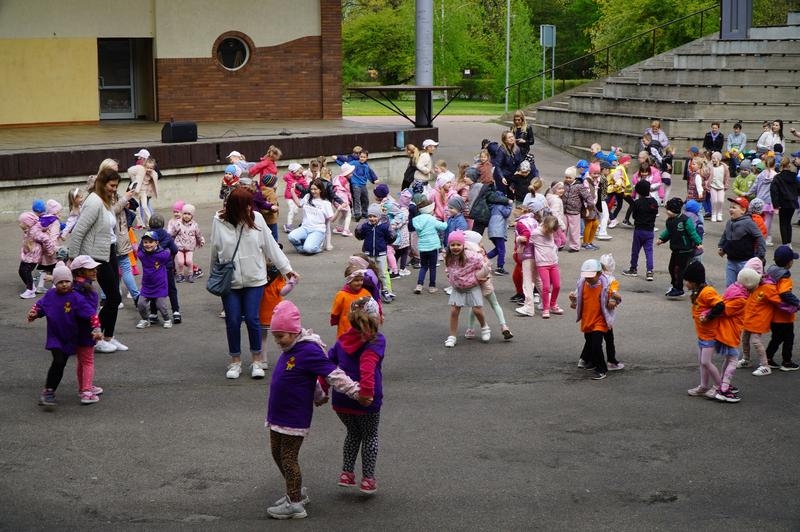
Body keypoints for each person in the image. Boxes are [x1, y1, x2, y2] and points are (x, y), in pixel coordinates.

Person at [265, 300, 363, 520]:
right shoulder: (293, 347)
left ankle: (295, 504)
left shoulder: (308, 349)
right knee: (276, 452)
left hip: (293, 415)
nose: (278, 341)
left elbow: (332, 373)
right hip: (278, 413)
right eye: (275, 336)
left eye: (281, 336)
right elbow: (308, 379)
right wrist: (318, 395)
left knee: (288, 457)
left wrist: (356, 391)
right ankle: (295, 492)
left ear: (293, 331)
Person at [210, 187, 298, 380]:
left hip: (255, 279)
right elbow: (215, 249)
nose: (251, 208)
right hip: (230, 281)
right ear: (235, 207)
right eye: (246, 205)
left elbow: (270, 245)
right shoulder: (219, 221)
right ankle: (235, 361)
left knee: (252, 319)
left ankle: (257, 360)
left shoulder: (257, 218)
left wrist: (287, 269)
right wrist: (213, 276)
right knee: (232, 321)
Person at [327, 296, 386, 495]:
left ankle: (347, 473)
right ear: (375, 318)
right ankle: (368, 479)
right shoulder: (376, 340)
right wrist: (365, 394)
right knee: (370, 436)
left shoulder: (343, 339)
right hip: (365, 399)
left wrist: (321, 388)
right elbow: (367, 367)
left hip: (342, 398)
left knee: (353, 433)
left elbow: (328, 362)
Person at [68, 167, 128, 353]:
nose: (113, 189)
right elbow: (79, 231)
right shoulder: (93, 201)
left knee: (113, 297)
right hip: (96, 256)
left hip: (109, 250)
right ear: (102, 183)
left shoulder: (105, 200)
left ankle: (108, 336)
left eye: (116, 186)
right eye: (111, 185)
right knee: (112, 297)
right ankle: (96, 337)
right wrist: (73, 259)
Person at [28, 261, 103, 407]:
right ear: (55, 283)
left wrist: (96, 329)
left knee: (62, 364)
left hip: (69, 337)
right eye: (60, 282)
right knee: (59, 362)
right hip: (55, 336)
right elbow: (40, 305)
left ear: (71, 281)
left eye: (67, 281)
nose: (64, 285)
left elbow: (91, 314)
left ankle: (68, 389)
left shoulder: (75, 297)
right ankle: (48, 391)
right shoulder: (50, 295)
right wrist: (34, 313)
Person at [711, 267, 761, 402]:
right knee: (733, 359)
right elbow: (725, 310)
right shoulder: (741, 299)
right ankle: (723, 389)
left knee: (729, 358)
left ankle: (723, 383)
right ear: (750, 285)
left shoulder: (733, 289)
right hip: (728, 332)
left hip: (725, 331)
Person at [568, 259, 616, 380]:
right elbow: (577, 298)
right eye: (586, 276)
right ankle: (591, 362)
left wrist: (613, 301)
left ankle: (601, 369)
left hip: (600, 320)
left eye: (591, 277)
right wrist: (573, 301)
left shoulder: (605, 285)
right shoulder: (582, 284)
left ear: (599, 274)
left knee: (596, 345)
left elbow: (616, 297)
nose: (588, 279)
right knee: (589, 342)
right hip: (587, 319)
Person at [683, 261, 725, 398]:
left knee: (706, 362)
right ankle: (703, 386)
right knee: (702, 362)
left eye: (687, 281)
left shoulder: (707, 292)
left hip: (709, 335)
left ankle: (721, 387)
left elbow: (720, 306)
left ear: (694, 281)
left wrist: (708, 316)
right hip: (702, 334)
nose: (685, 283)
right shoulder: (697, 292)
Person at [443, 231, 489, 347]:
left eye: (458, 244)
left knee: (477, 310)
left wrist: (481, 276)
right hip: (458, 288)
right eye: (452, 245)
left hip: (472, 286)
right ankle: (452, 336)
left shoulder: (471, 256)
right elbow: (448, 268)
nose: (455, 247)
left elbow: (483, 264)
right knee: (454, 311)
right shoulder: (448, 257)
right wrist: (448, 274)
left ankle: (485, 327)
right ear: (449, 246)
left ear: (463, 245)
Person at [656, 198, 703, 298]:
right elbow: (668, 232)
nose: (666, 212)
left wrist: (698, 242)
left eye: (668, 210)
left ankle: (679, 288)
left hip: (685, 250)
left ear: (674, 210)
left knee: (679, 270)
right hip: (676, 249)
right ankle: (675, 285)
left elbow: (692, 233)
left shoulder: (685, 220)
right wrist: (662, 239)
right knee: (671, 268)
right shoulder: (670, 221)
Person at [764, 245, 800, 371]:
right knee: (789, 339)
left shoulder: (771, 271)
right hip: (784, 317)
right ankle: (787, 362)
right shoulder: (785, 277)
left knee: (776, 338)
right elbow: (785, 293)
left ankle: (767, 358)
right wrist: (797, 303)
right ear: (789, 263)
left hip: (773, 314)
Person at [717, 196, 766, 287]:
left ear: (743, 210)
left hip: (745, 262)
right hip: (731, 261)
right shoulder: (729, 222)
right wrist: (721, 246)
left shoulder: (748, 223)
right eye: (730, 207)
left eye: (734, 208)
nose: (731, 209)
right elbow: (725, 234)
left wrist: (760, 255)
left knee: (743, 287)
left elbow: (759, 237)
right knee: (730, 286)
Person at [622, 180, 659, 281]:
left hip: (639, 230)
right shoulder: (654, 202)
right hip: (650, 230)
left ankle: (633, 269)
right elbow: (655, 212)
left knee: (635, 250)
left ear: (638, 191)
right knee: (649, 251)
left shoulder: (637, 202)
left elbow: (634, 215)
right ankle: (650, 271)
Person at [134, 232, 173, 329]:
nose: (148, 244)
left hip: (160, 284)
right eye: (145, 242)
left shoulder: (162, 255)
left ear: (157, 243)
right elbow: (138, 249)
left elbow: (170, 251)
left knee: (161, 305)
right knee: (141, 304)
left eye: (151, 242)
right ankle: (145, 320)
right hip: (146, 285)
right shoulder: (142, 255)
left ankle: (167, 319)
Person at [287, 178, 334, 255]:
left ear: (320, 190)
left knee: (308, 249)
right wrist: (292, 192)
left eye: (315, 189)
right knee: (291, 237)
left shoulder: (325, 203)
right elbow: (299, 204)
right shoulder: (308, 197)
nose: (313, 191)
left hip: (317, 230)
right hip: (305, 228)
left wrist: (339, 210)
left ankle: (317, 247)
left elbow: (331, 219)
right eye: (311, 189)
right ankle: (301, 248)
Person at [412, 196, 447, 294]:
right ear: (430, 210)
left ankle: (419, 285)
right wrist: (447, 220)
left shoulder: (417, 220)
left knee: (423, 267)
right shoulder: (432, 219)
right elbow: (443, 227)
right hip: (432, 246)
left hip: (423, 247)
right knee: (432, 267)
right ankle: (432, 286)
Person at [531, 215, 563, 319]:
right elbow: (529, 241)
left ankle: (553, 304)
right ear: (544, 225)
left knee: (557, 285)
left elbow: (561, 229)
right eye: (549, 230)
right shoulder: (536, 233)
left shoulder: (552, 231)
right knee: (546, 287)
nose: (550, 233)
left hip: (553, 262)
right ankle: (546, 308)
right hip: (542, 264)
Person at [18, 209, 55, 299]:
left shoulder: (35, 231)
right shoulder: (29, 229)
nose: (20, 225)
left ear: (28, 223)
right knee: (21, 271)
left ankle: (30, 290)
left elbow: (46, 239)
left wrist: (50, 251)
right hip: (28, 255)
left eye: (22, 223)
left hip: (33, 256)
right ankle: (31, 287)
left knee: (25, 271)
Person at [331, 267, 373, 338]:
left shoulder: (366, 293)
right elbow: (336, 310)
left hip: (363, 326)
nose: (360, 282)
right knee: (346, 345)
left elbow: (372, 307)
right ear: (349, 281)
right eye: (356, 280)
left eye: (361, 280)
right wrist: (335, 320)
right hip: (346, 327)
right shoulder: (341, 295)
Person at [170, 204, 205, 282]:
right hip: (179, 247)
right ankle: (180, 275)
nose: (186, 216)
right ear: (182, 214)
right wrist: (170, 243)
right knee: (180, 262)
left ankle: (190, 274)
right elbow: (172, 234)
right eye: (185, 213)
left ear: (192, 216)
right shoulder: (178, 224)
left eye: (189, 214)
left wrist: (200, 241)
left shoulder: (195, 225)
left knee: (189, 261)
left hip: (190, 247)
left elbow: (198, 234)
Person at [770, 156, 800, 246]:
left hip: (782, 203)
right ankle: (789, 243)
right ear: (789, 166)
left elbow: (774, 191)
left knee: (783, 223)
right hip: (792, 203)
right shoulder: (794, 177)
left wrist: (775, 205)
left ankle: (785, 243)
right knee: (788, 223)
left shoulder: (777, 177)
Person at [747, 155, 776, 246]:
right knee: (768, 221)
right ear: (774, 164)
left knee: (758, 219)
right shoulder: (776, 176)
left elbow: (754, 187)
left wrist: (748, 193)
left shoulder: (760, 174)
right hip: (769, 201)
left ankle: (759, 236)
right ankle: (764, 238)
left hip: (759, 200)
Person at [562, 166, 592, 252]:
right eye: (566, 177)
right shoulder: (564, 185)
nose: (567, 179)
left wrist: (589, 207)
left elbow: (587, 196)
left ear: (574, 177)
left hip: (574, 211)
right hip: (564, 210)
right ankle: (561, 243)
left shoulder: (579, 186)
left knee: (574, 230)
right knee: (562, 229)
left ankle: (575, 246)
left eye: (569, 178)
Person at [350, 150, 379, 222]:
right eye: (361, 157)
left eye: (364, 157)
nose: (362, 158)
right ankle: (357, 214)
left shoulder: (366, 166)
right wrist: (338, 158)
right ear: (358, 157)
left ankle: (364, 213)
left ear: (367, 158)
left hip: (363, 185)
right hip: (355, 184)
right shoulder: (354, 163)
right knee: (357, 199)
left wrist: (373, 180)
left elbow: (369, 175)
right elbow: (345, 164)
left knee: (365, 199)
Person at [331, 163, 354, 236]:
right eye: (351, 173)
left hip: (336, 201)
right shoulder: (345, 181)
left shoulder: (337, 178)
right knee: (348, 214)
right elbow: (347, 192)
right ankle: (346, 230)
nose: (352, 174)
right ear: (346, 173)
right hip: (343, 201)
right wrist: (350, 201)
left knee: (343, 214)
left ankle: (339, 228)